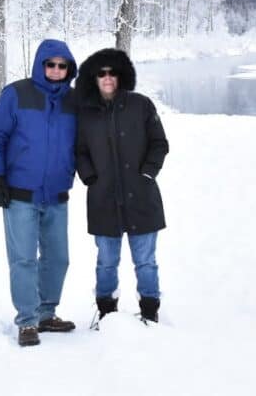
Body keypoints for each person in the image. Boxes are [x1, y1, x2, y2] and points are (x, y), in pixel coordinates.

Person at [0, 39, 80, 347]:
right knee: (24, 259)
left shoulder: (75, 102)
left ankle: (47, 313)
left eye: (62, 65)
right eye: (50, 64)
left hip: (57, 194)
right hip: (20, 194)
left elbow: (86, 142)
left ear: (69, 69)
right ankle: (27, 321)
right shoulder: (16, 94)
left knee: (58, 258)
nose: (56, 70)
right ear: (40, 65)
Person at [75, 48, 169, 325]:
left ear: (121, 75)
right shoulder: (85, 113)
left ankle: (150, 310)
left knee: (146, 261)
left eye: (112, 72)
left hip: (141, 197)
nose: (107, 77)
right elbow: (79, 151)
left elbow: (159, 143)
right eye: (101, 73)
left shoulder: (141, 105)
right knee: (106, 261)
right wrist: (89, 176)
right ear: (93, 78)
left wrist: (148, 173)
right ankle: (106, 310)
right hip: (103, 198)